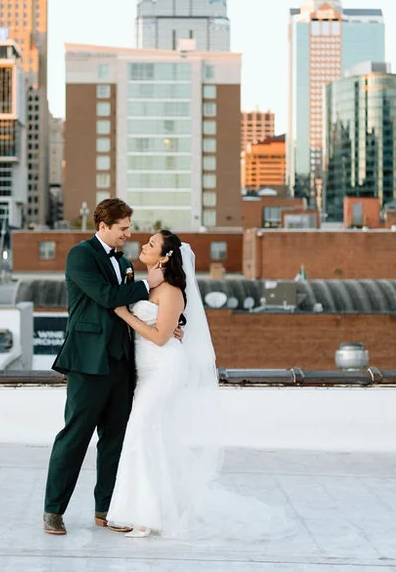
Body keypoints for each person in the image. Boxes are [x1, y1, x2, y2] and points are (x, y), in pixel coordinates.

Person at [106, 230, 284, 539]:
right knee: (150, 435)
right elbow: (163, 326)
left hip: (164, 369)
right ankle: (152, 510)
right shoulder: (143, 285)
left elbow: (161, 336)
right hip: (145, 369)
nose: (144, 246)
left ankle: (147, 516)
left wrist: (124, 315)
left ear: (164, 257)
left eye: (151, 245)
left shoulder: (172, 290)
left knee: (141, 430)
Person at [42, 199, 181, 536]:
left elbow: (135, 304)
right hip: (88, 363)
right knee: (74, 438)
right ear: (104, 226)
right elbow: (106, 296)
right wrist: (148, 284)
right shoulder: (81, 255)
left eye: (129, 228)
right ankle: (53, 511)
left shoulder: (123, 261)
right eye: (123, 228)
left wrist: (173, 322)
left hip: (123, 364)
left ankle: (106, 510)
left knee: (115, 440)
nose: (128, 234)